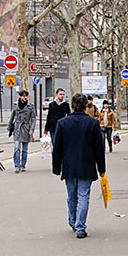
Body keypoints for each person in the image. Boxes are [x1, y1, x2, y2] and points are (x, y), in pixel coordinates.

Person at [52, 93, 106, 239]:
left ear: (72, 105)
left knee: (71, 196)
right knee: (83, 196)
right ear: (85, 106)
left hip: (69, 165)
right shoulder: (92, 123)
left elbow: (57, 147)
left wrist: (56, 167)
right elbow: (99, 149)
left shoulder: (62, 123)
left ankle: (72, 220)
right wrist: (101, 168)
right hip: (86, 165)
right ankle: (80, 226)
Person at [8, 89, 36, 173]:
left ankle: (23, 164)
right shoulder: (16, 106)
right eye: (23, 96)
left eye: (26, 96)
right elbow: (12, 117)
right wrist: (10, 127)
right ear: (20, 97)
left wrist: (32, 129)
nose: (25, 98)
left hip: (26, 128)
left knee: (24, 149)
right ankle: (17, 165)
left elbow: (34, 119)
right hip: (17, 128)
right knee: (16, 147)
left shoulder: (30, 106)